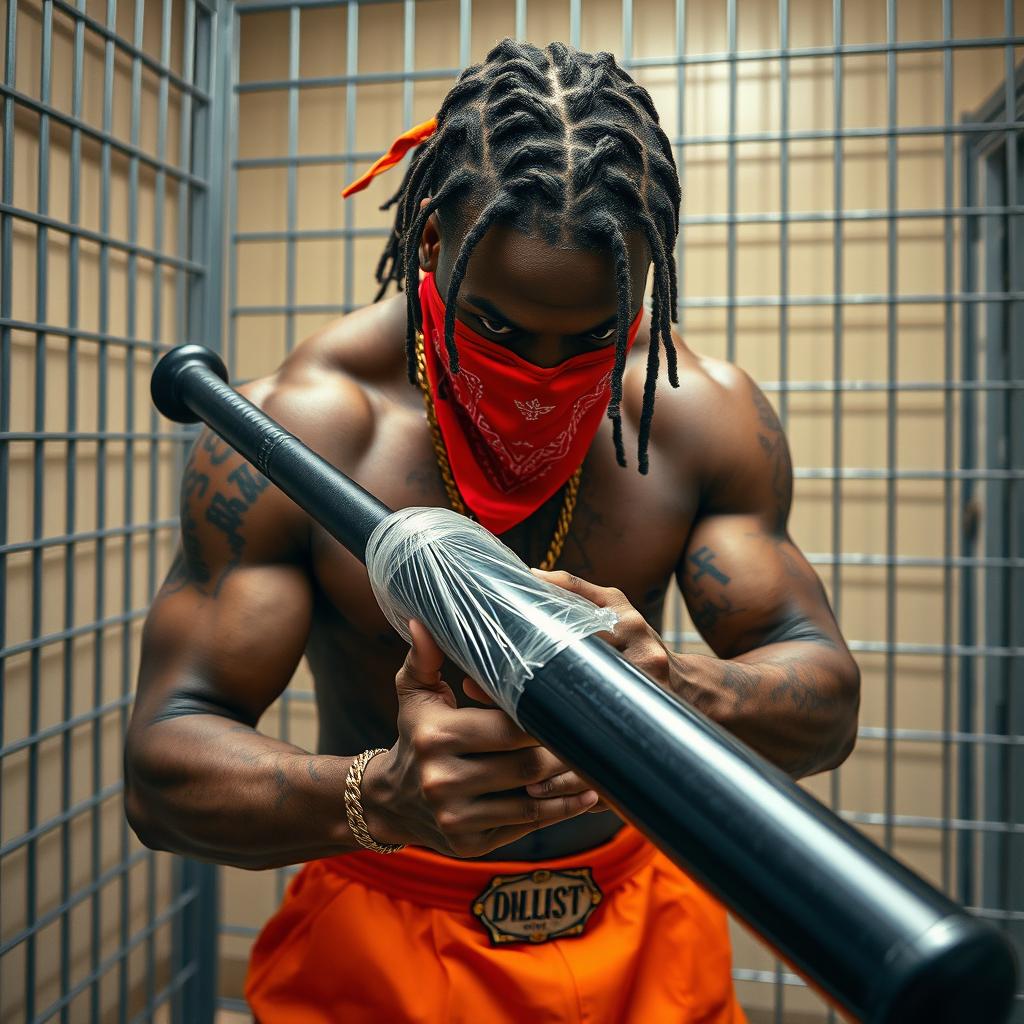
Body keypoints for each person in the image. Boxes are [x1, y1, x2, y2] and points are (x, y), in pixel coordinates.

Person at [125, 38, 859, 1023]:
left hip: (641, 922)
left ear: (646, 277)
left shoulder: (696, 417)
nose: (540, 377)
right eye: (501, 331)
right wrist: (374, 795)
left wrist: (675, 691)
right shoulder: (303, 431)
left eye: (592, 338)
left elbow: (826, 703)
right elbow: (162, 769)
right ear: (430, 239)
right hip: (387, 928)